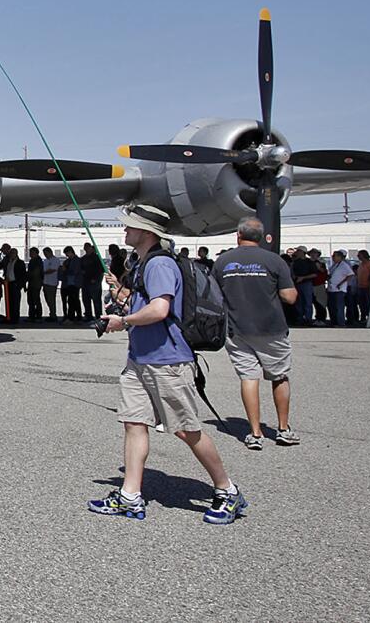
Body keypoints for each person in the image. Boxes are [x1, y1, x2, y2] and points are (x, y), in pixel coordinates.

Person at [92, 204, 247, 524]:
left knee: (186, 429)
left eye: (130, 226)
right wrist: (120, 294)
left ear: (147, 232)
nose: (125, 230)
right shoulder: (142, 264)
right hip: (140, 360)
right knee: (134, 424)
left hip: (167, 362)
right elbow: (144, 304)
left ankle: (227, 490)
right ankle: (130, 496)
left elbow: (160, 310)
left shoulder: (160, 264)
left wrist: (123, 321)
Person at [212, 218, 300, 449]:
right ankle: (283, 428)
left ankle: (255, 433)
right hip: (271, 328)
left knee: (248, 378)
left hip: (237, 328)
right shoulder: (274, 261)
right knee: (279, 376)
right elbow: (289, 297)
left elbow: (213, 295)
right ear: (260, 237)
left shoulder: (223, 261)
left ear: (238, 235)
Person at [289, 247, 317, 325]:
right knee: (299, 302)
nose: (296, 252)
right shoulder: (295, 262)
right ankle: (300, 318)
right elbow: (292, 272)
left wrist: (303, 277)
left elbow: (315, 274)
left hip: (307, 284)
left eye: (298, 251)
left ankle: (308, 319)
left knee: (308, 302)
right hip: (297, 283)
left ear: (302, 252)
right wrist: (294, 277)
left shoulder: (309, 262)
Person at [326, 250, 354, 328]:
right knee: (332, 306)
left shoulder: (344, 265)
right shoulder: (334, 265)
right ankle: (334, 321)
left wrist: (342, 283)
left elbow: (350, 275)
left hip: (339, 289)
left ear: (339, 257)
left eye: (334, 256)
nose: (333, 257)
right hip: (331, 288)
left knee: (339, 306)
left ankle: (341, 322)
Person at [2, 243, 25, 324]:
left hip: (15, 284)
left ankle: (15, 319)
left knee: (15, 302)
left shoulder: (20, 262)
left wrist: (20, 285)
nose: (11, 255)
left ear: (16, 254)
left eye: (13, 253)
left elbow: (23, 275)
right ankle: (10, 317)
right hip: (8, 284)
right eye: (10, 253)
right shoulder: (9, 262)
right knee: (10, 302)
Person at [80, 243, 102, 322]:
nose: (86, 249)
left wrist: (96, 279)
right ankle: (88, 315)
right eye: (85, 248)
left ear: (91, 248)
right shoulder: (83, 259)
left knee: (96, 301)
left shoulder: (97, 258)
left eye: (88, 248)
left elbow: (100, 270)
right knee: (86, 300)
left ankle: (98, 316)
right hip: (85, 282)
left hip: (94, 283)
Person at [60, 246, 82, 323]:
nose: (66, 255)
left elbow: (75, 272)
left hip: (75, 283)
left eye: (67, 253)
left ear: (70, 252)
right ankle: (71, 317)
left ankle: (78, 317)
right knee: (70, 301)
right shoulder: (67, 261)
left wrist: (66, 270)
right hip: (68, 283)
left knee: (75, 300)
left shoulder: (77, 260)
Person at [353, 250, 370, 326]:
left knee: (368, 303)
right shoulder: (361, 264)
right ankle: (362, 317)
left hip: (367, 287)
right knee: (361, 304)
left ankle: (369, 317)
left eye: (359, 255)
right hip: (360, 286)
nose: (358, 257)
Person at [26, 247, 44, 321]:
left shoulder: (38, 261)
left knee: (35, 299)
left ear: (36, 253)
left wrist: (27, 276)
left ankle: (38, 316)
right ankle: (32, 315)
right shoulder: (32, 261)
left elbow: (36, 272)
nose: (30, 254)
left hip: (36, 283)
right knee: (31, 300)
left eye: (32, 253)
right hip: (32, 282)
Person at [41, 246, 59, 320]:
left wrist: (43, 273)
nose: (45, 255)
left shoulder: (55, 260)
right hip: (45, 282)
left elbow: (52, 270)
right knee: (47, 299)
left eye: (46, 253)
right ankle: (51, 313)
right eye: (44, 254)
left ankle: (53, 315)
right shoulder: (45, 261)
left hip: (52, 283)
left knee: (51, 300)